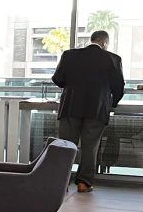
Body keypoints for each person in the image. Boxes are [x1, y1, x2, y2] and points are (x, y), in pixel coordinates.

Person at [52, 30, 125, 192]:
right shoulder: (113, 59)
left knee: (65, 145)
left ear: (91, 40)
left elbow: (57, 79)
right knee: (90, 146)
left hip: (70, 107)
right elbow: (119, 87)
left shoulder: (69, 55)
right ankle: (83, 183)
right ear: (104, 42)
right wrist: (111, 104)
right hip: (97, 109)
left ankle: (61, 182)